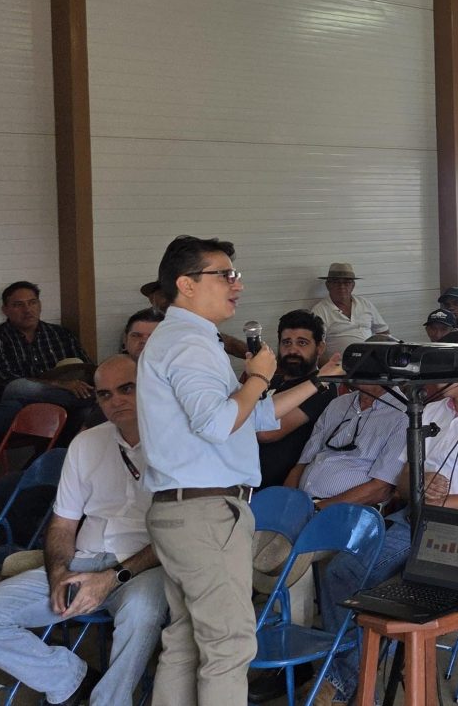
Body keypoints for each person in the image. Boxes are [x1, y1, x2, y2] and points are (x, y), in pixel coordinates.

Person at [137, 236, 337, 706]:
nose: (237, 285)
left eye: (236, 274)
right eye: (224, 275)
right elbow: (218, 422)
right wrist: (260, 375)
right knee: (229, 646)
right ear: (186, 284)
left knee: (186, 642)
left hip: (186, 510)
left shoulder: (187, 338)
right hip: (205, 513)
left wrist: (318, 380)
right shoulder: (189, 344)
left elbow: (253, 416)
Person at [322, 329, 458, 701]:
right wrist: (419, 480)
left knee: (391, 588)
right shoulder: (427, 412)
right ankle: (349, 676)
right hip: (414, 520)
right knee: (342, 570)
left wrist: (447, 501)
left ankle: (344, 682)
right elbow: (402, 479)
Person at [0, 354, 168, 706]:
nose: (115, 400)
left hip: (145, 567)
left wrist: (111, 578)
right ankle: (71, 679)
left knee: (141, 611)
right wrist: (58, 574)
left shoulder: (175, 442)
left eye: (126, 388)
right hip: (84, 560)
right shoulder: (86, 443)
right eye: (104, 394)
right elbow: (63, 523)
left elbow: (174, 534)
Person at [284, 382, 404, 510]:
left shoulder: (404, 414)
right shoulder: (338, 403)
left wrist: (316, 509)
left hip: (345, 512)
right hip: (301, 503)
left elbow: (381, 489)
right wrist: (286, 502)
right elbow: (302, 463)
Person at [0, 280, 92, 410]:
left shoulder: (60, 334)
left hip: (66, 395)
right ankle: (83, 400)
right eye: (18, 305)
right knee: (22, 386)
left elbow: (87, 368)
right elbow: (1, 381)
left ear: (40, 305)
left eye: (32, 302)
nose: (27, 310)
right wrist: (60, 385)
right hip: (17, 404)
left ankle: (80, 401)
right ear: (5, 310)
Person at [255, 310, 339, 488]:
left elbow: (267, 433)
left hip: (276, 486)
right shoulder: (271, 380)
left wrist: (236, 420)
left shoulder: (322, 388)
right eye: (286, 342)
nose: (292, 350)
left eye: (302, 343)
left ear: (320, 347)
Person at [309, 263, 390, 355]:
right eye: (336, 282)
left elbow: (383, 331)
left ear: (353, 285)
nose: (342, 286)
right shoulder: (320, 311)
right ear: (328, 285)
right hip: (341, 363)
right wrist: (331, 364)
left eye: (347, 282)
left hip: (370, 359)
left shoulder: (365, 304)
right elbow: (316, 348)